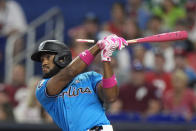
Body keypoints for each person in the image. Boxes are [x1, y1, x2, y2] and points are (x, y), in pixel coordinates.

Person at [31, 35, 128, 131]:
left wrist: (106, 58)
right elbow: (70, 72)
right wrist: (99, 46)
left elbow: (111, 96)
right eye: (42, 60)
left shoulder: (90, 77)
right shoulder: (42, 87)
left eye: (48, 57)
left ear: (62, 58)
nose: (44, 63)